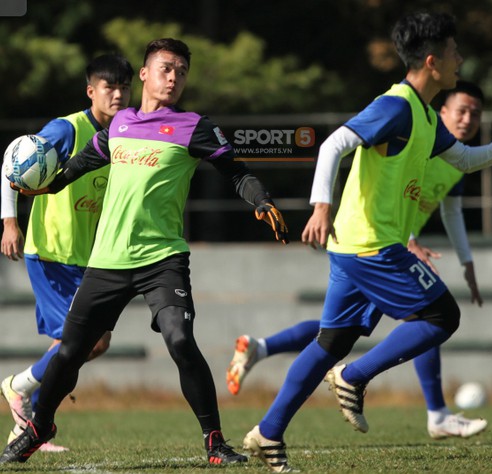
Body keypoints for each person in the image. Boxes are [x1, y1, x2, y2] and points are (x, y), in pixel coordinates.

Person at [242, 11, 492, 472]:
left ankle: (268, 433)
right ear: (434, 60)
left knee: (330, 342)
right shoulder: (397, 104)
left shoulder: (422, 112)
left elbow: (461, 158)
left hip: (357, 245)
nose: (461, 59)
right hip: (371, 245)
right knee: (442, 316)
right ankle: (354, 377)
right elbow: (331, 145)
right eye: (455, 52)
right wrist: (321, 206)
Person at [0, 37, 288, 466]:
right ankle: (40, 426)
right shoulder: (118, 125)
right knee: (70, 352)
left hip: (162, 259)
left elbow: (236, 173)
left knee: (180, 340)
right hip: (108, 260)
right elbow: (74, 169)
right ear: (145, 74)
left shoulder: (195, 126)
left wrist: (260, 200)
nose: (174, 78)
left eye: (182, 72)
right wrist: (36, 186)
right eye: (166, 68)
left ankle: (214, 441)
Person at [227, 81, 487, 440]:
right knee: (431, 316)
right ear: (444, 112)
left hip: (377, 244)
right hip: (375, 244)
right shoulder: (412, 125)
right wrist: (405, 239)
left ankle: (268, 421)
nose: (469, 118)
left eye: (476, 112)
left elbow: (451, 210)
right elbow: (385, 190)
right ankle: (423, 407)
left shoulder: (445, 147)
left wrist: (467, 262)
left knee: (336, 336)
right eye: (462, 109)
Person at [0, 53, 134, 452]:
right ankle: (20, 391)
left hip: (90, 258)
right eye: (109, 87)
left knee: (94, 342)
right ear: (91, 91)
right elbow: (13, 164)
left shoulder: (126, 134)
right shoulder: (66, 130)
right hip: (53, 253)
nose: (118, 94)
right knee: (83, 343)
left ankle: (28, 417)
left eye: (124, 87)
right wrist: (10, 222)